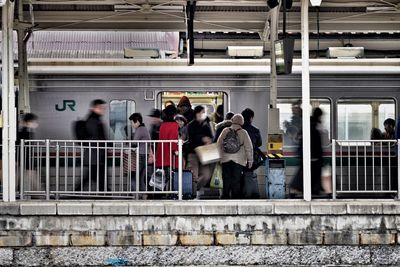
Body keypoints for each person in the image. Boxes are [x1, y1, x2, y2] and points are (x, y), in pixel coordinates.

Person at [217, 114, 253, 199]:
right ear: (242, 122)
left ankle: (225, 196)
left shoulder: (225, 130)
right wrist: (250, 161)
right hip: (238, 160)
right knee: (236, 180)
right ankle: (235, 197)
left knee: (226, 179)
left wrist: (219, 157)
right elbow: (249, 147)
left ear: (232, 120)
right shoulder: (244, 132)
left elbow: (219, 144)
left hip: (225, 159)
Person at [75, 99, 108, 192]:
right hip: (95, 155)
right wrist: (107, 144)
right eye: (100, 108)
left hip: (95, 155)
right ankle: (106, 195)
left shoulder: (94, 120)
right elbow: (96, 138)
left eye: (103, 108)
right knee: (97, 177)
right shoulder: (93, 121)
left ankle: (105, 194)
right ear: (93, 108)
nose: (103, 110)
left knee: (93, 177)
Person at [186, 105, 214, 198]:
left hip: (204, 153)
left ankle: (194, 188)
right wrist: (203, 139)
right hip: (193, 153)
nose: (202, 114)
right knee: (194, 174)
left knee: (206, 175)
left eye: (203, 112)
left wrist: (209, 140)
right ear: (196, 113)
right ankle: (192, 193)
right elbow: (191, 138)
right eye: (200, 112)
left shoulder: (206, 124)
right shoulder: (191, 125)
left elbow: (211, 137)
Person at [155, 105, 179, 189]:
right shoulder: (174, 125)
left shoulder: (163, 125)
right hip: (169, 155)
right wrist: (175, 151)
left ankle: (159, 193)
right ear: (174, 114)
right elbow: (172, 140)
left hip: (161, 153)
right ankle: (170, 193)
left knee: (161, 176)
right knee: (170, 176)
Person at [241, 108, 263, 198]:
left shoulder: (239, 129)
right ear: (251, 118)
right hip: (251, 156)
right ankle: (249, 194)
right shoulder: (255, 130)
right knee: (249, 174)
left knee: (240, 175)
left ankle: (244, 193)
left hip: (239, 156)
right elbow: (259, 143)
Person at [129, 113, 151, 194]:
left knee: (135, 176)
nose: (131, 125)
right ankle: (143, 194)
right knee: (141, 177)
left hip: (141, 155)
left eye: (132, 122)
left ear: (137, 122)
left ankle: (135, 194)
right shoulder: (144, 129)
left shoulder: (140, 130)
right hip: (145, 154)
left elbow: (134, 143)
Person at [17, 113, 40, 193]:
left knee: (19, 178)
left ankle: (36, 194)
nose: (36, 123)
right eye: (34, 121)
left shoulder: (26, 131)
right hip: (24, 159)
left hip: (24, 159)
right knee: (31, 177)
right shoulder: (24, 132)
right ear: (29, 122)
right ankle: (37, 195)